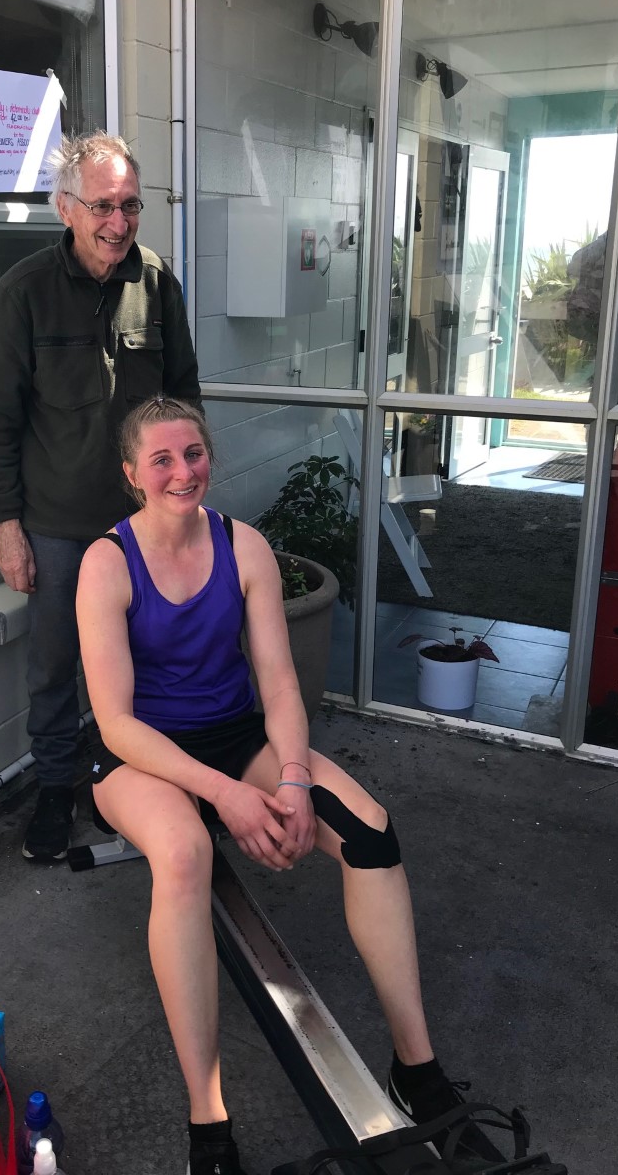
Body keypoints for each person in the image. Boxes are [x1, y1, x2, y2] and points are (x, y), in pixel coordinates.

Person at [76, 396, 506, 1175]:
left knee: (370, 831)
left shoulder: (244, 547)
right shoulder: (107, 562)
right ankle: (208, 1126)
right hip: (140, 756)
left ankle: (417, 1072)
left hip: (235, 735)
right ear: (132, 472)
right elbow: (115, 722)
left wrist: (297, 781)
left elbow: (277, 682)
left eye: (195, 453)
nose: (184, 471)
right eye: (164, 459)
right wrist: (230, 797)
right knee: (182, 856)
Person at [0, 132, 201, 862]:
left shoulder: (158, 282)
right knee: (56, 665)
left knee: (145, 657)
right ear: (66, 208)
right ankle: (53, 788)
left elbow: (184, 397)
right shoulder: (25, 292)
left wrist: (182, 496)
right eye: (103, 205)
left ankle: (121, 783)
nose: (119, 221)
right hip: (59, 529)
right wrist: (8, 527)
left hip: (143, 527)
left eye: (130, 205)